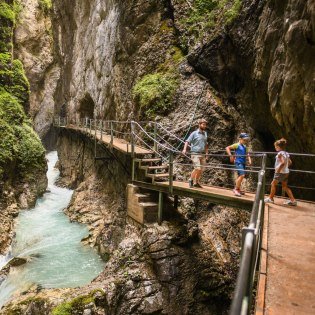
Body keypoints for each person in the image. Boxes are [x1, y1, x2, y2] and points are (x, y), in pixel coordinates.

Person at [264, 138, 297, 206]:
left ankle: (270, 198)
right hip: (286, 172)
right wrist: (285, 168)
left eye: (275, 147)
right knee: (285, 187)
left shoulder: (280, 154)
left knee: (273, 184)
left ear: (278, 147)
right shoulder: (286, 153)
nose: (275, 148)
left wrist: (278, 170)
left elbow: (283, 163)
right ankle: (293, 201)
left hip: (280, 173)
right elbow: (290, 162)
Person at [182, 118, 208, 188]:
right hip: (195, 153)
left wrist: (207, 153)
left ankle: (196, 182)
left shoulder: (205, 133)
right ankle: (190, 179)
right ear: (199, 125)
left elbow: (206, 144)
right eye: (203, 124)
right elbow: (187, 141)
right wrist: (184, 149)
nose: (204, 126)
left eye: (205, 125)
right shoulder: (194, 133)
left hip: (202, 154)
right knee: (197, 168)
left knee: (201, 169)